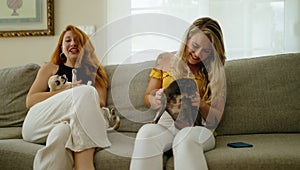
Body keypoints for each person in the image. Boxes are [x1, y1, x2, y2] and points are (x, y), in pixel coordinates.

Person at [130, 17, 226, 170]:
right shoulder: (165, 59)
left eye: (206, 51)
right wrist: (155, 100)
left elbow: (216, 117)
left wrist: (200, 104)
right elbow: (148, 96)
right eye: (194, 46)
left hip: (197, 129)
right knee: (146, 133)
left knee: (185, 139)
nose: (197, 54)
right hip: (165, 126)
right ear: (187, 40)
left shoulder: (214, 72)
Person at [22, 25, 111, 170]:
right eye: (68, 40)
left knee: (61, 134)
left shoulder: (97, 74)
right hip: (38, 124)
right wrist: (68, 91)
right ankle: (84, 166)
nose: (73, 43)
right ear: (61, 48)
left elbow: (100, 104)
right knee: (86, 91)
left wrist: (78, 97)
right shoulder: (50, 68)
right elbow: (30, 101)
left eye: (78, 41)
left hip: (66, 125)